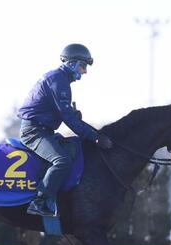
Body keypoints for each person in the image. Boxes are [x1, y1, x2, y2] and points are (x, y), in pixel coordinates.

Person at [17, 43, 113, 216]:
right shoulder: (58, 81)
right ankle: (39, 201)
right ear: (71, 63)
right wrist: (95, 137)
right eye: (83, 66)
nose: (85, 71)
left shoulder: (59, 79)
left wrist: (73, 115)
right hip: (34, 132)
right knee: (62, 161)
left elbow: (63, 113)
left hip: (43, 130)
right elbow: (67, 118)